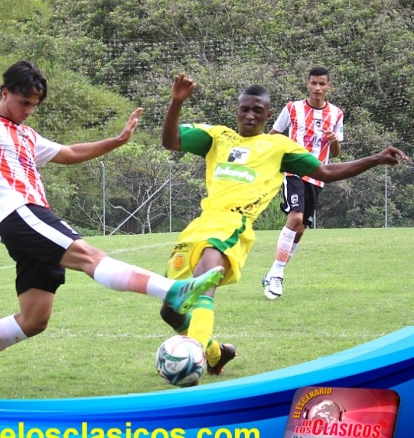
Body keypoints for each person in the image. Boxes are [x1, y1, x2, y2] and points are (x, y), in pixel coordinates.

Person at [0, 60, 225, 394]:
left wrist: (117, 140)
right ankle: (173, 291)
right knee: (87, 255)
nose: (29, 111)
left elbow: (69, 153)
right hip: (21, 213)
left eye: (34, 105)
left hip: (29, 221)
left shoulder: (28, 136)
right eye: (24, 103)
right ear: (5, 93)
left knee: (34, 319)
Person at [160, 73, 407, 379]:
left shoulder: (278, 146)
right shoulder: (216, 137)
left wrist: (375, 158)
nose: (250, 115)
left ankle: (192, 358)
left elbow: (325, 171)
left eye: (257, 111)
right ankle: (214, 353)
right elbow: (170, 140)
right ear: (238, 110)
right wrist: (177, 101)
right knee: (171, 308)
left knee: (204, 280)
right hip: (199, 224)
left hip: (233, 223)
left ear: (267, 114)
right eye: (245, 109)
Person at [262, 67, 344, 300]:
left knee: (301, 229)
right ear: (307, 84)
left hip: (318, 175)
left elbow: (336, 153)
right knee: (295, 217)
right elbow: (274, 133)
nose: (317, 88)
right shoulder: (292, 108)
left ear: (328, 86)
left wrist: (334, 141)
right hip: (294, 170)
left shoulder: (337, 114)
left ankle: (273, 271)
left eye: (322, 84)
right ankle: (277, 275)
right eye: (313, 83)